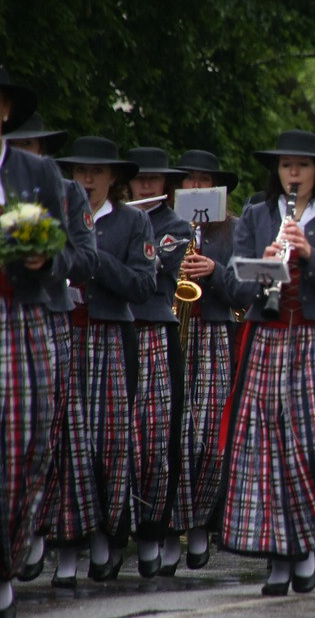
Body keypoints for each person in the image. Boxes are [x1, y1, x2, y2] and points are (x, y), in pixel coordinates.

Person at [218, 130, 315, 595]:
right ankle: (280, 560)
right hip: (269, 341)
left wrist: (308, 254)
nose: (292, 174)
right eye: (285, 166)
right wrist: (259, 265)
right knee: (266, 453)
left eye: (301, 166)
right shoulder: (259, 214)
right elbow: (238, 291)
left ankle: (306, 549)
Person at [51, 136, 156, 586]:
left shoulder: (133, 222)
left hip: (111, 336)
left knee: (107, 446)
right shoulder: (55, 218)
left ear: (114, 178)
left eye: (96, 172)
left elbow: (143, 285)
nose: (87, 180)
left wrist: (96, 262)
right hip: (65, 335)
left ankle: (103, 538)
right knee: (64, 443)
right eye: (80, 172)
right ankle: (65, 551)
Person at [5, 114, 98, 586]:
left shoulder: (59, 186)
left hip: (44, 315)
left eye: (35, 145)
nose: (29, 153)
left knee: (44, 435)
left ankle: (40, 537)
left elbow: (84, 255)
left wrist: (44, 257)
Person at [0, 75, 80, 614]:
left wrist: (46, 259)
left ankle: (5, 560)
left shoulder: (37, 172)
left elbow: (74, 251)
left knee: (21, 451)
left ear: (5, 111)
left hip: (21, 317)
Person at [168, 149, 243, 573]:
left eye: (203, 180)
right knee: (176, 434)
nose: (195, 187)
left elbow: (243, 292)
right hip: (176, 336)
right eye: (189, 180)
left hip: (214, 333)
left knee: (210, 438)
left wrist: (214, 269)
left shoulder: (233, 230)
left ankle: (199, 528)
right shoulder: (167, 226)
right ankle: (172, 532)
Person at [126, 146, 193, 577]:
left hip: (154, 328)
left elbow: (150, 276)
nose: (146, 186)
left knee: (154, 439)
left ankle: (153, 530)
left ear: (165, 185)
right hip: (115, 327)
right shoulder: (111, 218)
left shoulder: (175, 226)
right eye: (139, 180)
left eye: (153, 180)